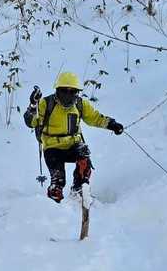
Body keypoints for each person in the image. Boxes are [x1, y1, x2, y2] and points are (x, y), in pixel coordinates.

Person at [24, 71, 124, 202]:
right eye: (64, 91)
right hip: (52, 147)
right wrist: (33, 105)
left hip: (73, 144)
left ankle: (79, 190)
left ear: (77, 93)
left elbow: (95, 118)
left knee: (84, 159)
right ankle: (53, 204)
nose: (68, 95)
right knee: (58, 181)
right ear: (57, 91)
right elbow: (31, 122)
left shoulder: (80, 104)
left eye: (72, 92)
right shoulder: (46, 103)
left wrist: (111, 124)